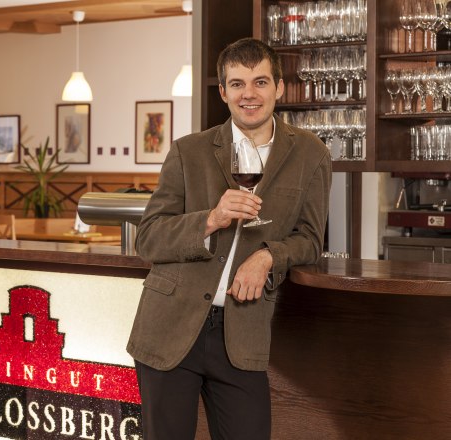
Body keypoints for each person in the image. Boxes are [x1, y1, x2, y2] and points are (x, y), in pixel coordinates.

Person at [127, 38, 331, 439]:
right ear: (223, 92)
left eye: (260, 82)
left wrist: (269, 256)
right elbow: (148, 238)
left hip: (243, 331)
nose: (249, 94)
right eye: (237, 84)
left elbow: (310, 239)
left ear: (279, 87)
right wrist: (211, 219)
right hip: (170, 327)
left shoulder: (312, 154)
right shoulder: (190, 151)